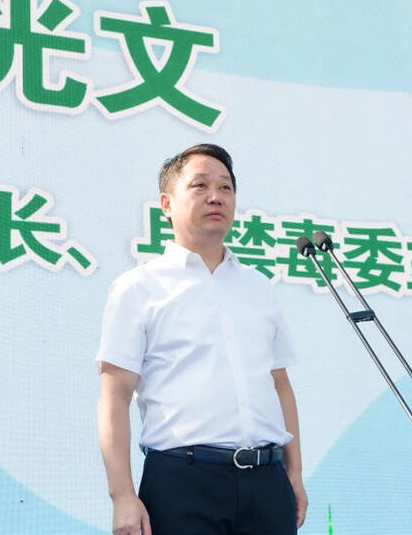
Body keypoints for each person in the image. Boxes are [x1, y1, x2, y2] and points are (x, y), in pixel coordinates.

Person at [96, 144, 308, 535]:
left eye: (226, 187)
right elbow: (115, 395)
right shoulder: (138, 287)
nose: (216, 196)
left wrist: (294, 473)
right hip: (183, 482)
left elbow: (279, 383)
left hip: (267, 482)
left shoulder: (258, 287)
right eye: (200, 186)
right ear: (166, 203)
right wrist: (121, 495)